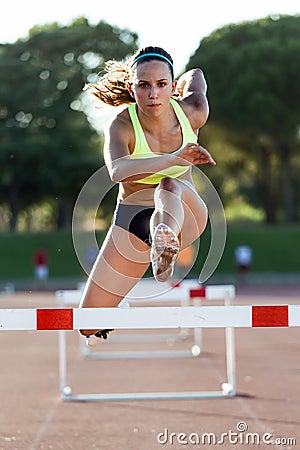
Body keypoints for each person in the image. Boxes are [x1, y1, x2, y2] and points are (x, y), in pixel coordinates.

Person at [79, 46, 216, 346]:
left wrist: (185, 81)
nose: (153, 93)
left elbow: (197, 74)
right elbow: (117, 171)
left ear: (172, 87)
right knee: (88, 326)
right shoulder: (122, 125)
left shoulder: (193, 110)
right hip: (133, 219)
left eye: (161, 84)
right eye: (144, 85)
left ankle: (164, 238)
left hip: (185, 214)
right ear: (132, 88)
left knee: (168, 185)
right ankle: (152, 247)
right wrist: (175, 157)